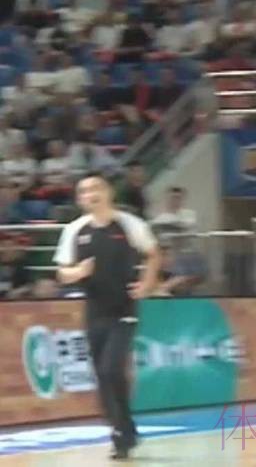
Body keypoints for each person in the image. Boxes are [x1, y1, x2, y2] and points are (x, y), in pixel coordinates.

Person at [54, 173, 161, 460]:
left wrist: (147, 283)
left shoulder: (129, 224)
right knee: (102, 374)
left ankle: (122, 432)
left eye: (96, 188)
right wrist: (77, 272)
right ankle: (123, 430)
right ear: (80, 199)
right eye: (84, 191)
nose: (91, 194)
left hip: (124, 308)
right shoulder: (75, 230)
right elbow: (62, 272)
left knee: (112, 368)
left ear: (109, 192)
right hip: (94, 311)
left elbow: (153, 254)